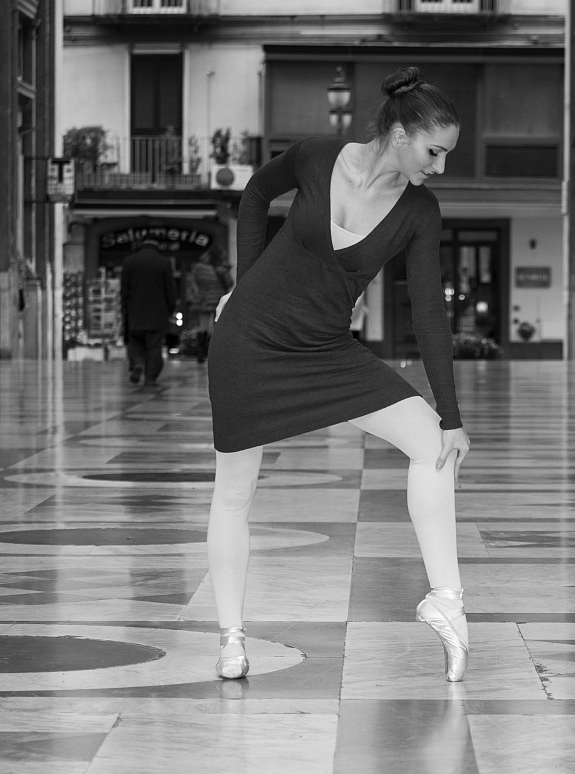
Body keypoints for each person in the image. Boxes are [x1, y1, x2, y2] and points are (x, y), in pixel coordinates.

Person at [207, 66, 471, 681]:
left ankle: (447, 602)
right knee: (234, 493)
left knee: (434, 443)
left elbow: (427, 311)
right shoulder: (317, 156)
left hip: (327, 350)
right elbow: (253, 195)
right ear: (402, 134)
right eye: (434, 151)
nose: (439, 166)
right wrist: (243, 286)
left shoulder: (419, 211)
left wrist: (453, 416)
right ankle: (231, 638)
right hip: (248, 343)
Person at [120, 236, 177, 391]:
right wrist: (170, 309)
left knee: (135, 342)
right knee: (154, 346)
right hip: (157, 313)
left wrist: (125, 311)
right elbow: (170, 290)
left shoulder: (129, 262)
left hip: (135, 311)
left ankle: (137, 363)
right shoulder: (164, 262)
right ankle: (150, 378)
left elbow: (124, 291)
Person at [190, 248, 232, 363]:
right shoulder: (220, 268)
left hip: (202, 299)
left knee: (202, 326)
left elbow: (194, 284)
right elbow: (229, 283)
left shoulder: (198, 267)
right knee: (215, 325)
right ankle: (212, 353)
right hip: (216, 299)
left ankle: (200, 353)